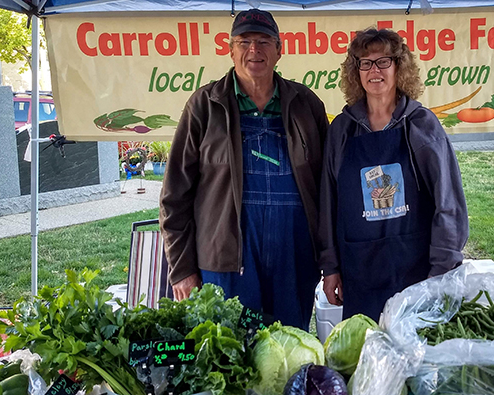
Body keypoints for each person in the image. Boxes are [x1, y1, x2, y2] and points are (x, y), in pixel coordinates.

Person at [160, 9, 329, 329]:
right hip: (225, 263)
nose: (255, 50)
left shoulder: (306, 104)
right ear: (230, 48)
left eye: (264, 41)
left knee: (288, 350)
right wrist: (181, 268)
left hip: (294, 258)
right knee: (230, 358)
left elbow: (329, 189)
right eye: (245, 41)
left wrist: (331, 259)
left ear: (281, 50)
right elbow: (174, 195)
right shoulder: (204, 105)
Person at [318, 28, 469, 321]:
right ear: (356, 71)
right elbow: (328, 204)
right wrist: (331, 267)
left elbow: (447, 202)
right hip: (360, 272)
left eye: (383, 61)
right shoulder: (342, 130)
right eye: (365, 62)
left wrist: (441, 270)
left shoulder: (422, 124)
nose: (374, 70)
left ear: (399, 67)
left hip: (418, 272)